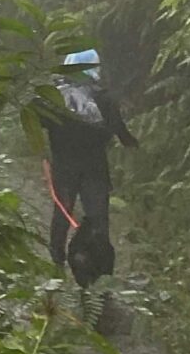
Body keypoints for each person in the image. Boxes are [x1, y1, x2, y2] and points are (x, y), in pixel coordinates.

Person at [45, 49, 136, 287]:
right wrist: (132, 143)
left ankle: (57, 262)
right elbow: (119, 130)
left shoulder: (54, 95)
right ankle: (101, 274)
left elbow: (40, 122)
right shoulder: (103, 98)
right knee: (98, 218)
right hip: (94, 169)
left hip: (63, 166)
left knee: (62, 213)